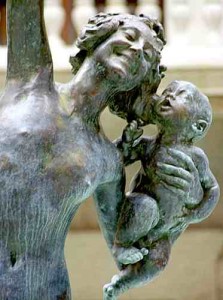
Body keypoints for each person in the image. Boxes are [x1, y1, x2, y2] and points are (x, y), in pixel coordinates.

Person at [103, 80, 220, 300]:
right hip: (143, 210)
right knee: (145, 206)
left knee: (159, 262)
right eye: (168, 91)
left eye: (180, 95)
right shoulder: (149, 146)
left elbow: (212, 189)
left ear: (198, 126)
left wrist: (196, 214)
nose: (169, 96)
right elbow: (118, 160)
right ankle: (121, 245)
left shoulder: (197, 158)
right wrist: (127, 142)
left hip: (165, 232)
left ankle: (123, 283)